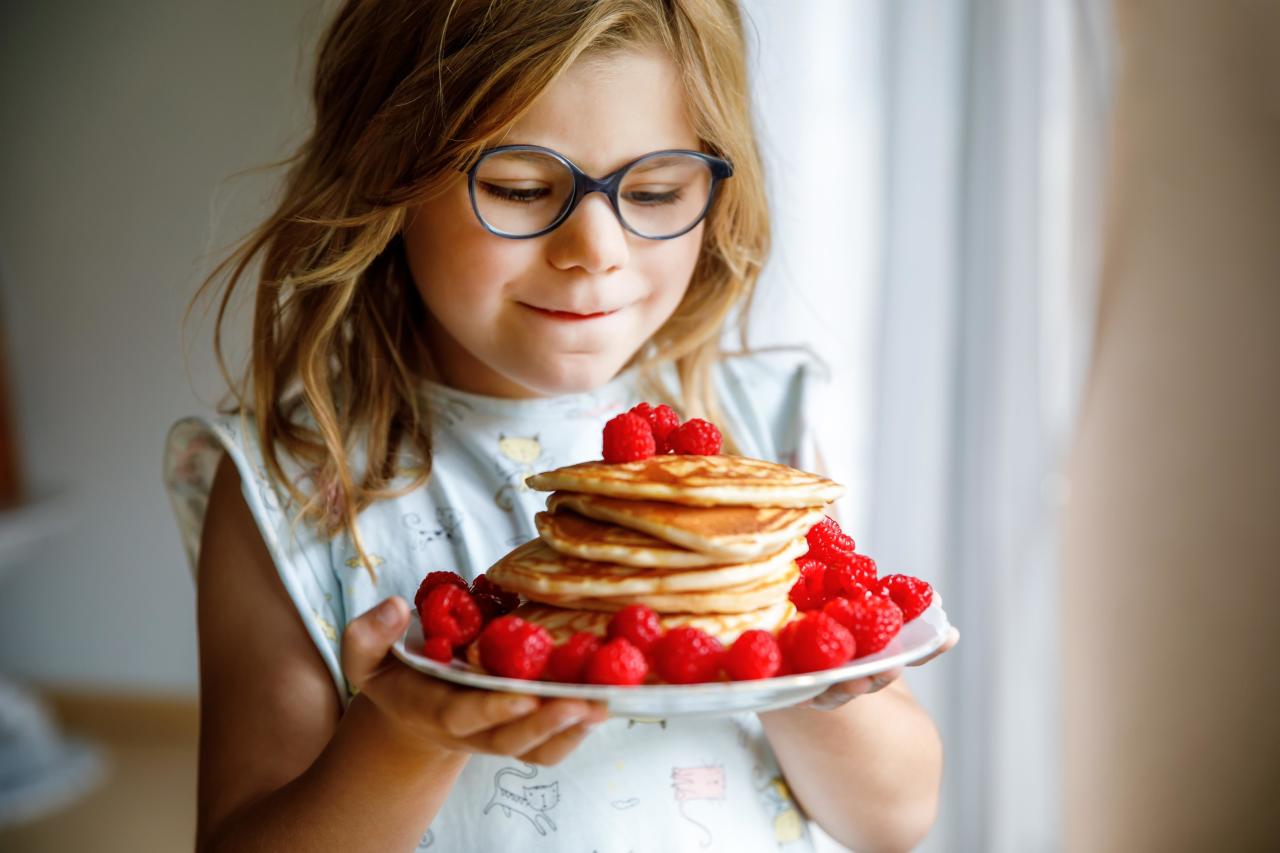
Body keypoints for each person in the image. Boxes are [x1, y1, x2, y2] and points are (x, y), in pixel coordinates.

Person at [164, 1, 957, 850]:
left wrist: (784, 650)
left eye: (654, 190)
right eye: (519, 187)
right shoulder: (291, 489)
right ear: (386, 175)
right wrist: (406, 736)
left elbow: (896, 816)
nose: (596, 246)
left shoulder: (751, 438)